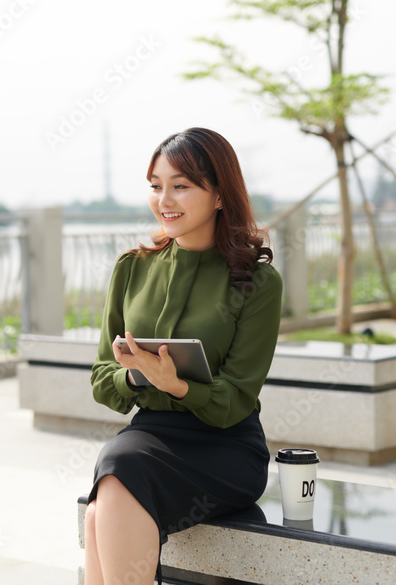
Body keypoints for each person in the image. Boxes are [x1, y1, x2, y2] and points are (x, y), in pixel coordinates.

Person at [82, 127, 282, 585]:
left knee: (110, 491)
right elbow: (101, 379)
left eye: (181, 185)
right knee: (109, 488)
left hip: (227, 446)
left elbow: (235, 398)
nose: (164, 199)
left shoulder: (256, 282)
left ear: (218, 194)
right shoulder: (132, 268)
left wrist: (177, 385)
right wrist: (137, 378)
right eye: (155, 186)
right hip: (150, 435)